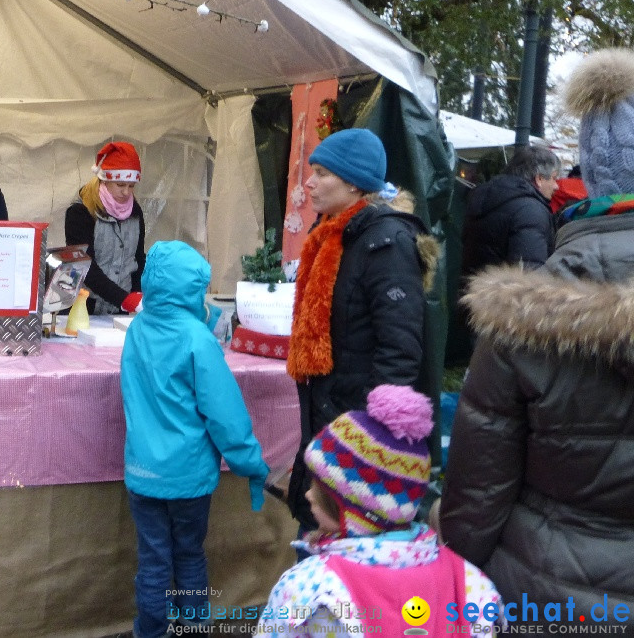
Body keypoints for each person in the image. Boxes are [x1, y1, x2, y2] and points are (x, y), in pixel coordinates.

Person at [441, 47, 634, 621]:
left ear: (588, 179)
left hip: (547, 596)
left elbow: (476, 496)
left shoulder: (519, 316)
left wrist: (460, 585)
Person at [257, 385, 504, 636]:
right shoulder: (468, 583)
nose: (308, 495)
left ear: (358, 515)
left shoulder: (311, 590)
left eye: (322, 492)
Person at [284, 128, 437, 531]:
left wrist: (371, 437)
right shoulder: (336, 235)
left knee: (343, 551)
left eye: (321, 173)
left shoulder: (385, 242)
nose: (310, 182)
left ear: (353, 182)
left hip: (357, 435)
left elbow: (400, 348)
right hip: (331, 419)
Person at [120, 240, 269, 638]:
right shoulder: (198, 340)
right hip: (188, 476)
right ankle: (194, 626)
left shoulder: (137, 329)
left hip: (143, 471)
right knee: (188, 555)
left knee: (153, 559)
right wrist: (250, 464)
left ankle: (149, 631)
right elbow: (225, 415)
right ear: (191, 291)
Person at [64, 141, 145, 315]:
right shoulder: (80, 212)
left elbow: (138, 258)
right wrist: (124, 299)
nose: (126, 192)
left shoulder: (135, 212)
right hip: (84, 307)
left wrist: (137, 293)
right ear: (104, 180)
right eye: (120, 185)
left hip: (121, 309)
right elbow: (85, 267)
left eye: (131, 186)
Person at [459, 144, 560, 277]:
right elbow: (531, 274)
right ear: (539, 179)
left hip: (475, 293)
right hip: (507, 296)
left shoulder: (485, 198)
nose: (556, 186)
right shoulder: (531, 210)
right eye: (554, 178)